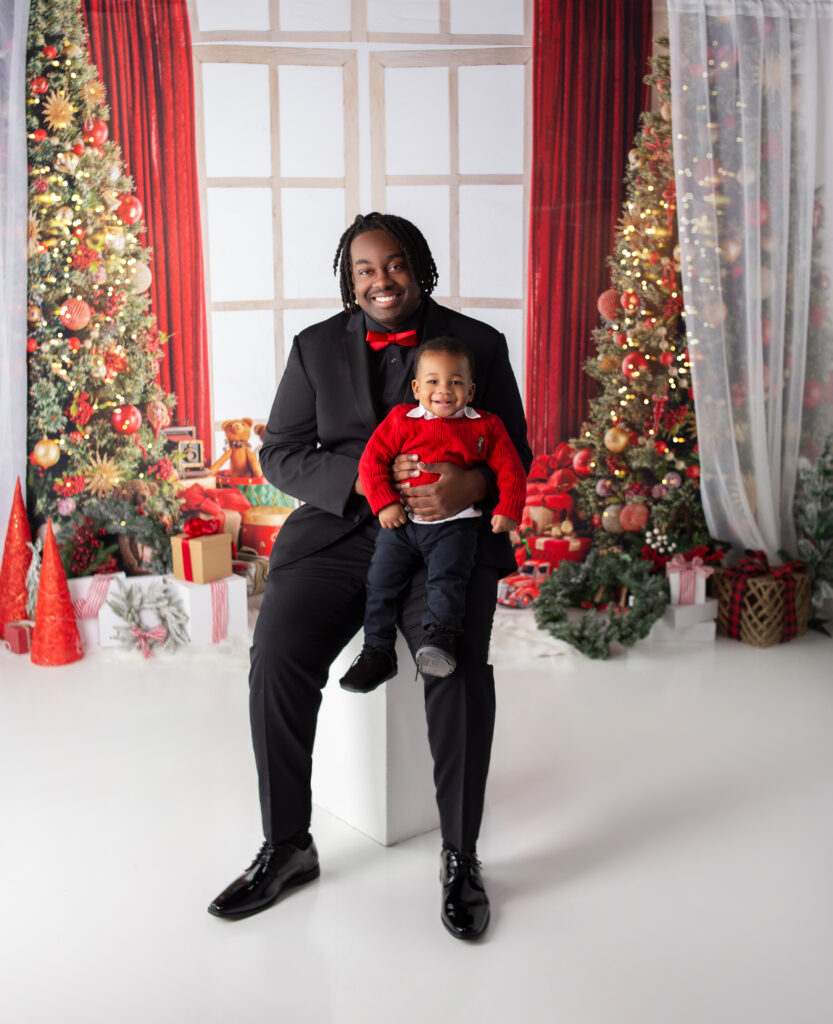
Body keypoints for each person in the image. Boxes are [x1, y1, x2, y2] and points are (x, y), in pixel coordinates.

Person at [207, 211, 532, 940]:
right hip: (340, 533)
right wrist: (368, 483)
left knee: (451, 668)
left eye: (392, 265)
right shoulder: (315, 347)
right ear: (347, 279)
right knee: (278, 658)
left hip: (446, 539)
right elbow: (281, 452)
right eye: (363, 269)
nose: (379, 281)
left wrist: (469, 488)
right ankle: (288, 844)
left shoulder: (479, 343)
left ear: (418, 268)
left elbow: (517, 451)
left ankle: (460, 856)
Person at [340, 336, 527, 692]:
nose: (444, 390)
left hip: (454, 528)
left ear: (471, 390)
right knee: (380, 583)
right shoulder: (400, 420)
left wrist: (508, 509)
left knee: (447, 581)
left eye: (456, 382)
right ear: (416, 387)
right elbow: (372, 461)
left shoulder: (486, 426)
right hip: (401, 525)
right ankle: (377, 651)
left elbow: (511, 470)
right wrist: (386, 503)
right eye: (433, 381)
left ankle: (440, 640)